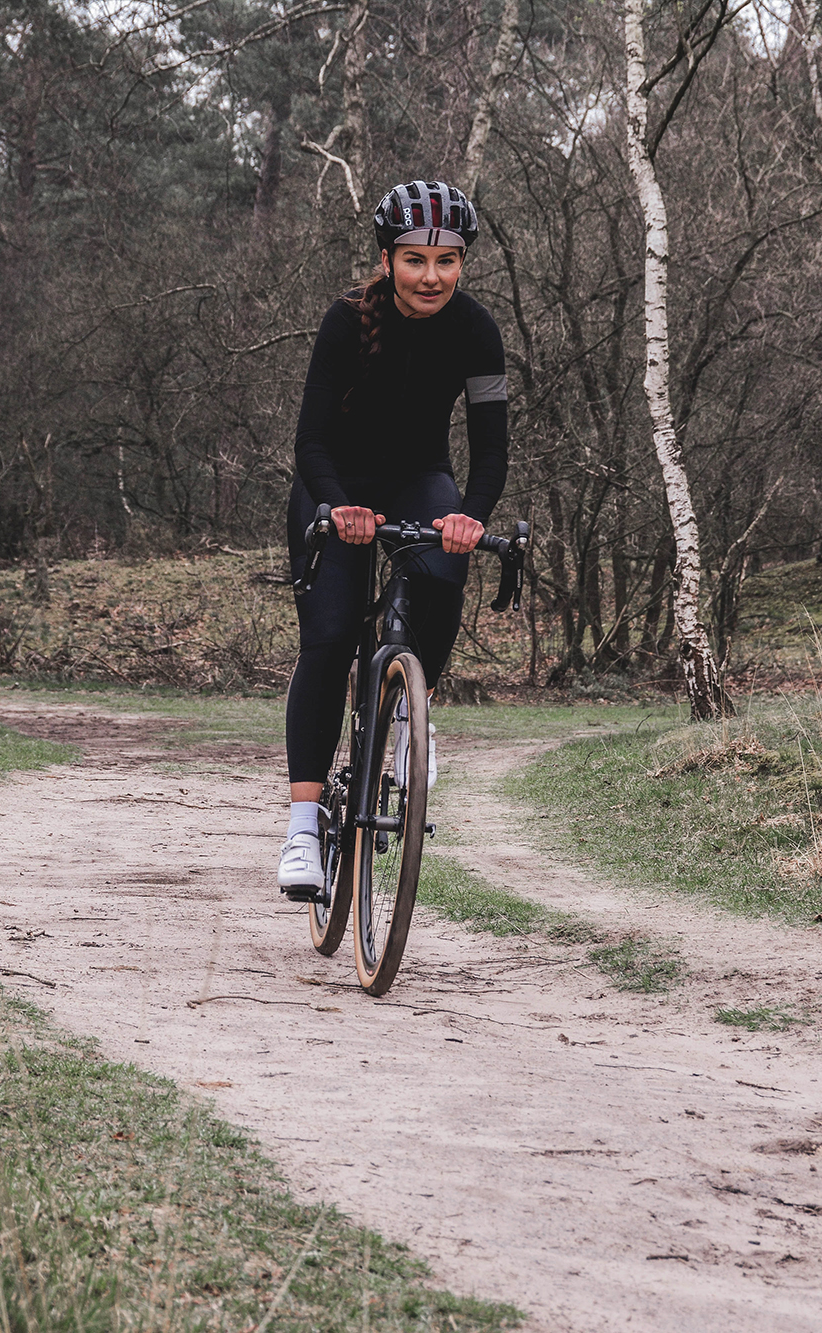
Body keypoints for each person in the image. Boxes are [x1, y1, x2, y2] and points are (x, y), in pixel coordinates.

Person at [277, 179, 509, 897]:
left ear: (462, 263)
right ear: (387, 259)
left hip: (419, 481)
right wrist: (341, 508)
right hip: (334, 487)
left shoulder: (476, 331)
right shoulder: (345, 322)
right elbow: (310, 441)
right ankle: (304, 828)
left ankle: (413, 710)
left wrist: (471, 512)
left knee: (445, 561)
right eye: (415, 260)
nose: (431, 276)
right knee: (331, 635)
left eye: (446, 261)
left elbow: (492, 451)